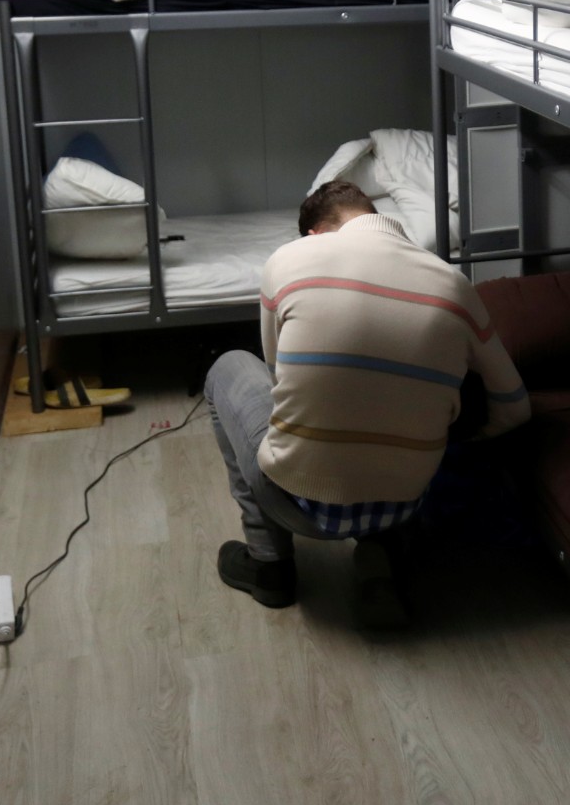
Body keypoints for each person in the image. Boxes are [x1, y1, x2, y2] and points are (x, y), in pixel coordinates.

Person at [204, 179, 530, 618]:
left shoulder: (289, 258)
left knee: (227, 367)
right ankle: (378, 564)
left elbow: (277, 378)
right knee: (397, 405)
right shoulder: (454, 285)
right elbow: (515, 407)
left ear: (314, 234)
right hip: (405, 503)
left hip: (296, 501)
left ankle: (270, 566)